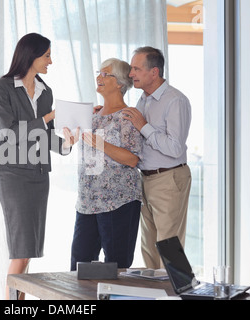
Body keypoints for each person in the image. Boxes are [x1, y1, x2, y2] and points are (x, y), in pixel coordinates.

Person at [0, 33, 79, 299]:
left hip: (39, 175)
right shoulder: (1, 88)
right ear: (31, 55)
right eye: (47, 55)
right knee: (21, 249)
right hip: (13, 173)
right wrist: (49, 117)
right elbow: (10, 132)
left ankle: (19, 301)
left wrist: (67, 144)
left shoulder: (45, 91)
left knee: (28, 251)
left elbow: (45, 135)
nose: (50, 61)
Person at [70, 58, 143, 271]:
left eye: (105, 74)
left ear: (120, 83)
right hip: (87, 202)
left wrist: (102, 144)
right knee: (79, 267)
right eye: (98, 73)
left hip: (118, 201)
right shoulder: (92, 116)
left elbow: (133, 159)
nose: (98, 78)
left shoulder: (128, 116)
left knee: (116, 267)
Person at [123, 46, 192, 269]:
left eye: (136, 68)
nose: (131, 73)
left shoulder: (175, 101)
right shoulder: (143, 100)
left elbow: (174, 147)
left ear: (154, 72)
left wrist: (144, 126)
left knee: (169, 247)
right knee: (149, 248)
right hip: (146, 179)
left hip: (169, 179)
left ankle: (175, 294)